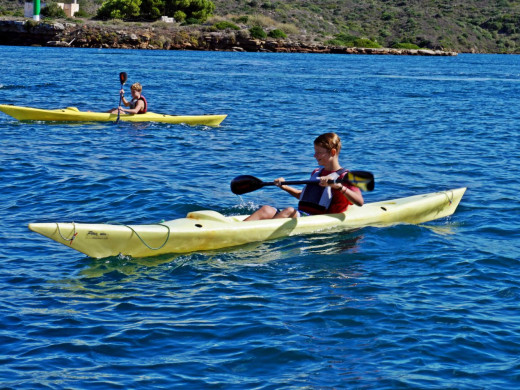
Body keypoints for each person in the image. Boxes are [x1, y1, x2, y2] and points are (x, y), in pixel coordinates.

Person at [243, 132, 364, 221]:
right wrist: (284, 187)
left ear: (332, 152)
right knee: (266, 209)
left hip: (319, 219)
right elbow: (306, 197)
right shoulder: (316, 172)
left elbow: (359, 202)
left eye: (318, 152)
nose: (314, 155)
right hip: (304, 214)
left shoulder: (345, 176)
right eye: (314, 151)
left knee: (289, 211)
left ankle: (259, 234)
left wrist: (338, 186)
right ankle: (235, 230)